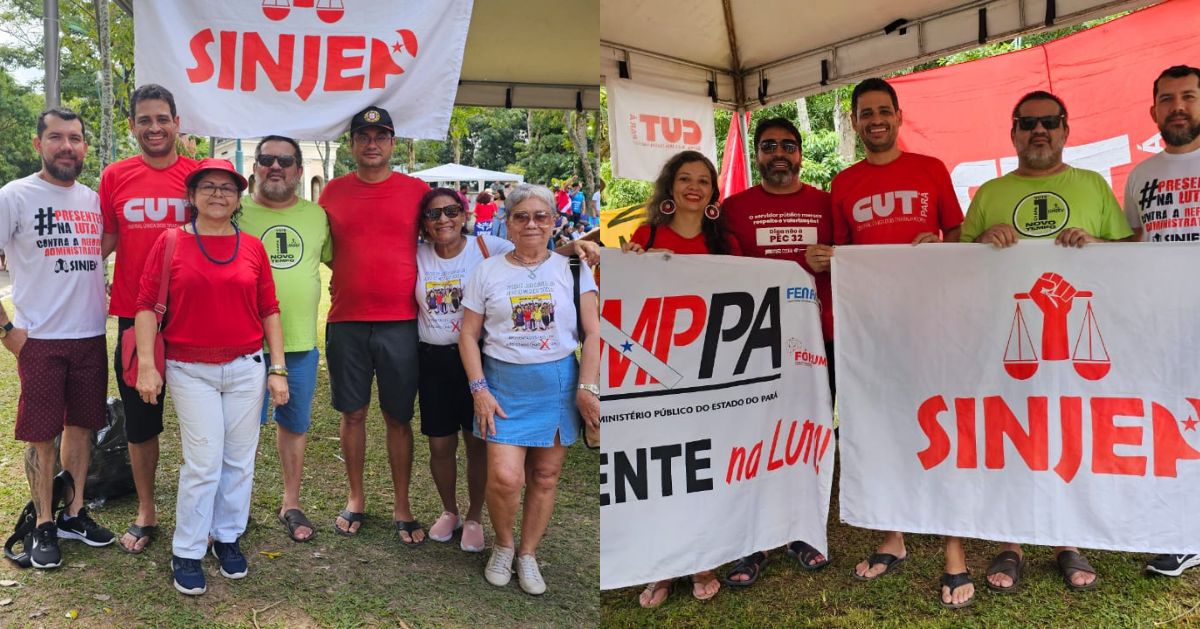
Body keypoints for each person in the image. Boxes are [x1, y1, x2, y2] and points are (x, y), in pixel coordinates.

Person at [960, 90, 1133, 594]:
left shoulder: (1093, 186)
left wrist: (1097, 247)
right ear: (1013, 132)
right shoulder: (989, 193)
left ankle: (1066, 538)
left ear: (1065, 129)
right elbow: (959, 264)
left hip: (1072, 340)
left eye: (1050, 122)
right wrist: (980, 242)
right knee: (1012, 431)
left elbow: (1127, 256)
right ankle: (1011, 541)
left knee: (1070, 431)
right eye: (1028, 122)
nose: (1039, 131)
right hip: (1008, 341)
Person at [806, 78, 966, 607]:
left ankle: (953, 551)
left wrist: (941, 244)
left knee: (940, 423)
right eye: (865, 113)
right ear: (854, 122)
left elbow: (960, 239)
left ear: (898, 116)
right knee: (884, 430)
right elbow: (842, 255)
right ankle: (893, 538)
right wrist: (823, 258)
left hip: (930, 323)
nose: (875, 120)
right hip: (872, 332)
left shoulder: (931, 169)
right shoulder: (843, 183)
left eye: (883, 111)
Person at [133, 158, 286, 595]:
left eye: (227, 187)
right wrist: (147, 365)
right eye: (208, 186)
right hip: (189, 369)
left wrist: (277, 368)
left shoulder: (253, 247)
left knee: (239, 459)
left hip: (245, 368)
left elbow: (269, 310)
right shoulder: (170, 242)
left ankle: (228, 536)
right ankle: (188, 548)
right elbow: (145, 305)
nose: (218, 194)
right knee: (203, 462)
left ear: (239, 198)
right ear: (192, 195)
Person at [459, 183, 600, 595]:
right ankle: (503, 545)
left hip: (557, 383)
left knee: (545, 474)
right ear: (508, 221)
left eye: (541, 216)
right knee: (504, 477)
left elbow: (593, 333)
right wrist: (479, 389)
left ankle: (528, 553)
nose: (532, 224)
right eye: (522, 216)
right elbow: (468, 336)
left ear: (554, 222)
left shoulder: (574, 269)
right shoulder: (487, 271)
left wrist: (587, 387)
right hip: (502, 386)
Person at [719, 117, 834, 592]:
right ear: (758, 154)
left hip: (818, 340)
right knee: (755, 438)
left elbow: (857, 256)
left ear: (801, 154)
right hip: (756, 343)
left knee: (809, 434)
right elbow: (719, 271)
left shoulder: (827, 203)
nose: (779, 154)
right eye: (769, 146)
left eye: (789, 145)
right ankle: (753, 539)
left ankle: (802, 530)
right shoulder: (732, 208)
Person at [0, 107, 116, 569]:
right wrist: (8, 332)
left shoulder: (92, 199)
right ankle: (44, 522)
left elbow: (97, 250)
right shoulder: (15, 196)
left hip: (89, 333)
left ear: (85, 146)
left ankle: (74, 511)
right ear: (39, 144)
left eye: (75, 138)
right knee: (41, 434)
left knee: (83, 427)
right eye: (56, 137)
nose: (67, 146)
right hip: (40, 338)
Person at [621, 151, 736, 606]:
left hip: (711, 370)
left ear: (712, 191)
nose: (694, 187)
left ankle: (703, 558)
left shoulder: (724, 244)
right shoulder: (645, 235)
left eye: (703, 180)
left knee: (704, 464)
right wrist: (633, 263)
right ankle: (665, 564)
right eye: (684, 178)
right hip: (655, 372)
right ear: (670, 187)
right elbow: (618, 295)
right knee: (664, 466)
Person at [319, 106, 429, 544]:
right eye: (363, 136)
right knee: (353, 414)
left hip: (402, 322)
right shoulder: (332, 192)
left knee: (398, 417)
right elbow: (321, 247)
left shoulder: (417, 191)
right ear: (351, 144)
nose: (371, 143)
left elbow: (449, 238)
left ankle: (402, 505)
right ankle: (356, 498)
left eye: (380, 136)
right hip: (346, 321)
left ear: (392, 143)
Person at [99, 84, 199, 554]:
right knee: (142, 420)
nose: (154, 128)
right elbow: (101, 242)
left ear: (177, 123)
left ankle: (206, 508)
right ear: (133, 126)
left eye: (162, 119)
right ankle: (146, 510)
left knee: (203, 419)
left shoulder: (199, 176)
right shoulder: (115, 176)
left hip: (197, 316)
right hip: (134, 318)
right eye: (145, 120)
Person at [1123, 64, 1200, 577]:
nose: (1178, 106)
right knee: (1179, 421)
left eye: (1189, 96)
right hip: (1163, 322)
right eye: (1168, 99)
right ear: (1153, 111)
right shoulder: (1140, 175)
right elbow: (1132, 246)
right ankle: (1185, 533)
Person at [237, 136, 331, 543]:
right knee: (240, 430)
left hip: (299, 343)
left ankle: (290, 502)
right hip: (242, 343)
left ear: (298, 169)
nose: (276, 167)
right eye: (267, 159)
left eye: (285, 161)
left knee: (294, 424)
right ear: (255, 166)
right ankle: (235, 505)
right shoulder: (235, 211)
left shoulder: (318, 217)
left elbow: (337, 262)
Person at [416, 187, 515, 553]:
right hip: (433, 360)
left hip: (477, 359)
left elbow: (538, 256)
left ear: (464, 214)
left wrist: (582, 247)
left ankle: (474, 516)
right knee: (440, 444)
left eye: (451, 211)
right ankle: (449, 510)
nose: (443, 219)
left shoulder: (489, 248)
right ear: (424, 223)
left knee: (477, 443)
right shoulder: (418, 256)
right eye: (433, 214)